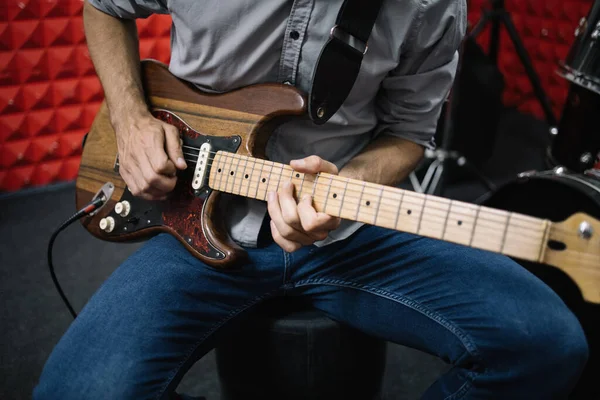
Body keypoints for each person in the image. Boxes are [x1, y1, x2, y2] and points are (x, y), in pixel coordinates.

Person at [35, 0, 589, 398]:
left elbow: (409, 136)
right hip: (193, 230)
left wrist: (343, 187)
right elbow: (104, 7)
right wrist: (130, 120)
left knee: (549, 344)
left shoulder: (430, 5)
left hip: (350, 232)